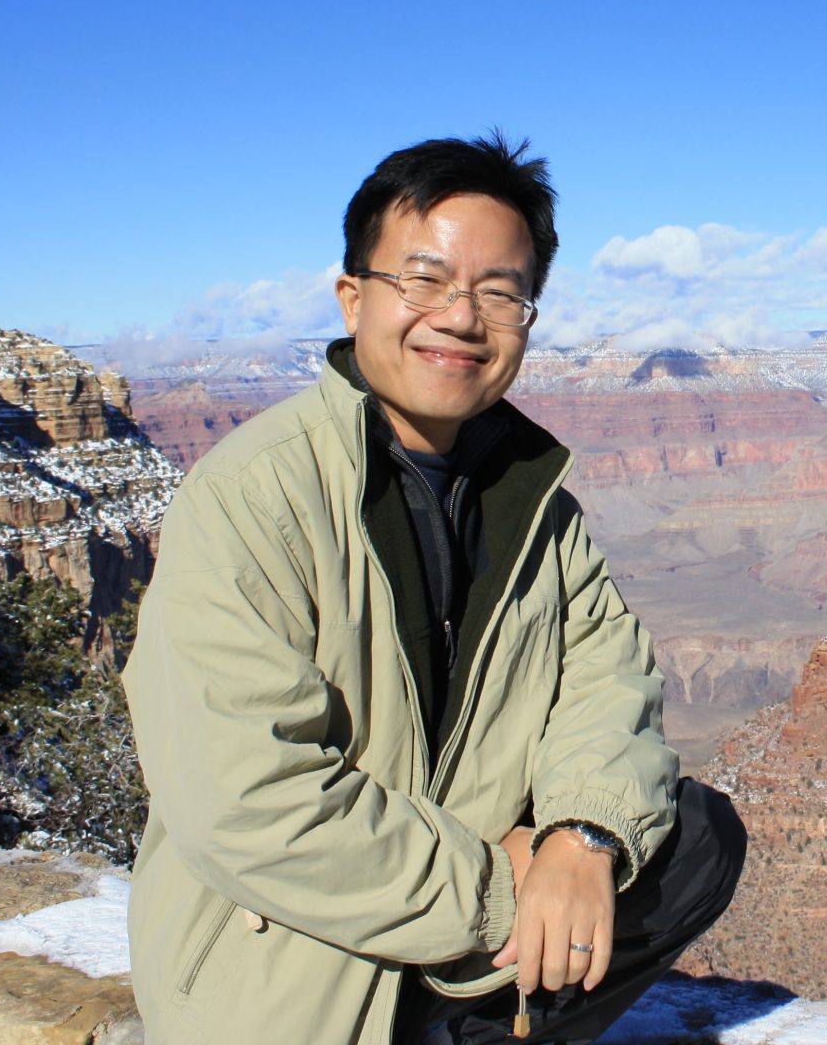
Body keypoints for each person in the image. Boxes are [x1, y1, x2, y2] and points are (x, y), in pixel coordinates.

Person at [122, 133, 745, 1045]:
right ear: (353, 295)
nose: (460, 317)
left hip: (461, 928)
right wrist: (506, 888)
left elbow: (607, 686)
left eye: (500, 291)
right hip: (298, 971)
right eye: (424, 279)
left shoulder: (534, 502)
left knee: (695, 837)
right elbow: (247, 802)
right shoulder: (253, 497)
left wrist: (581, 840)